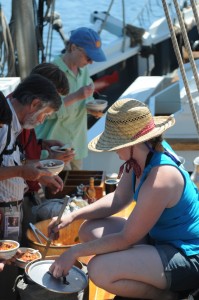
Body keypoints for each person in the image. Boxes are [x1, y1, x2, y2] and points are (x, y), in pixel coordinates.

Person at [48, 98, 199, 300]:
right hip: (160, 239)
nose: (112, 149)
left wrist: (73, 252)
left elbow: (126, 238)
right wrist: (73, 216)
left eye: (115, 144)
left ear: (132, 143)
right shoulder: (144, 153)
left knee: (99, 269)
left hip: (187, 255)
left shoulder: (161, 177)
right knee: (87, 229)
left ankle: (169, 296)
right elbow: (119, 199)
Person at [35, 27, 106, 170]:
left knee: (76, 189)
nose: (91, 62)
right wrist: (75, 96)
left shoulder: (83, 70)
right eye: (88, 57)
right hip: (54, 148)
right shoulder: (51, 72)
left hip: (77, 145)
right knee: (57, 189)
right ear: (73, 48)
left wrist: (92, 110)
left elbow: (86, 101)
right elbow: (41, 114)